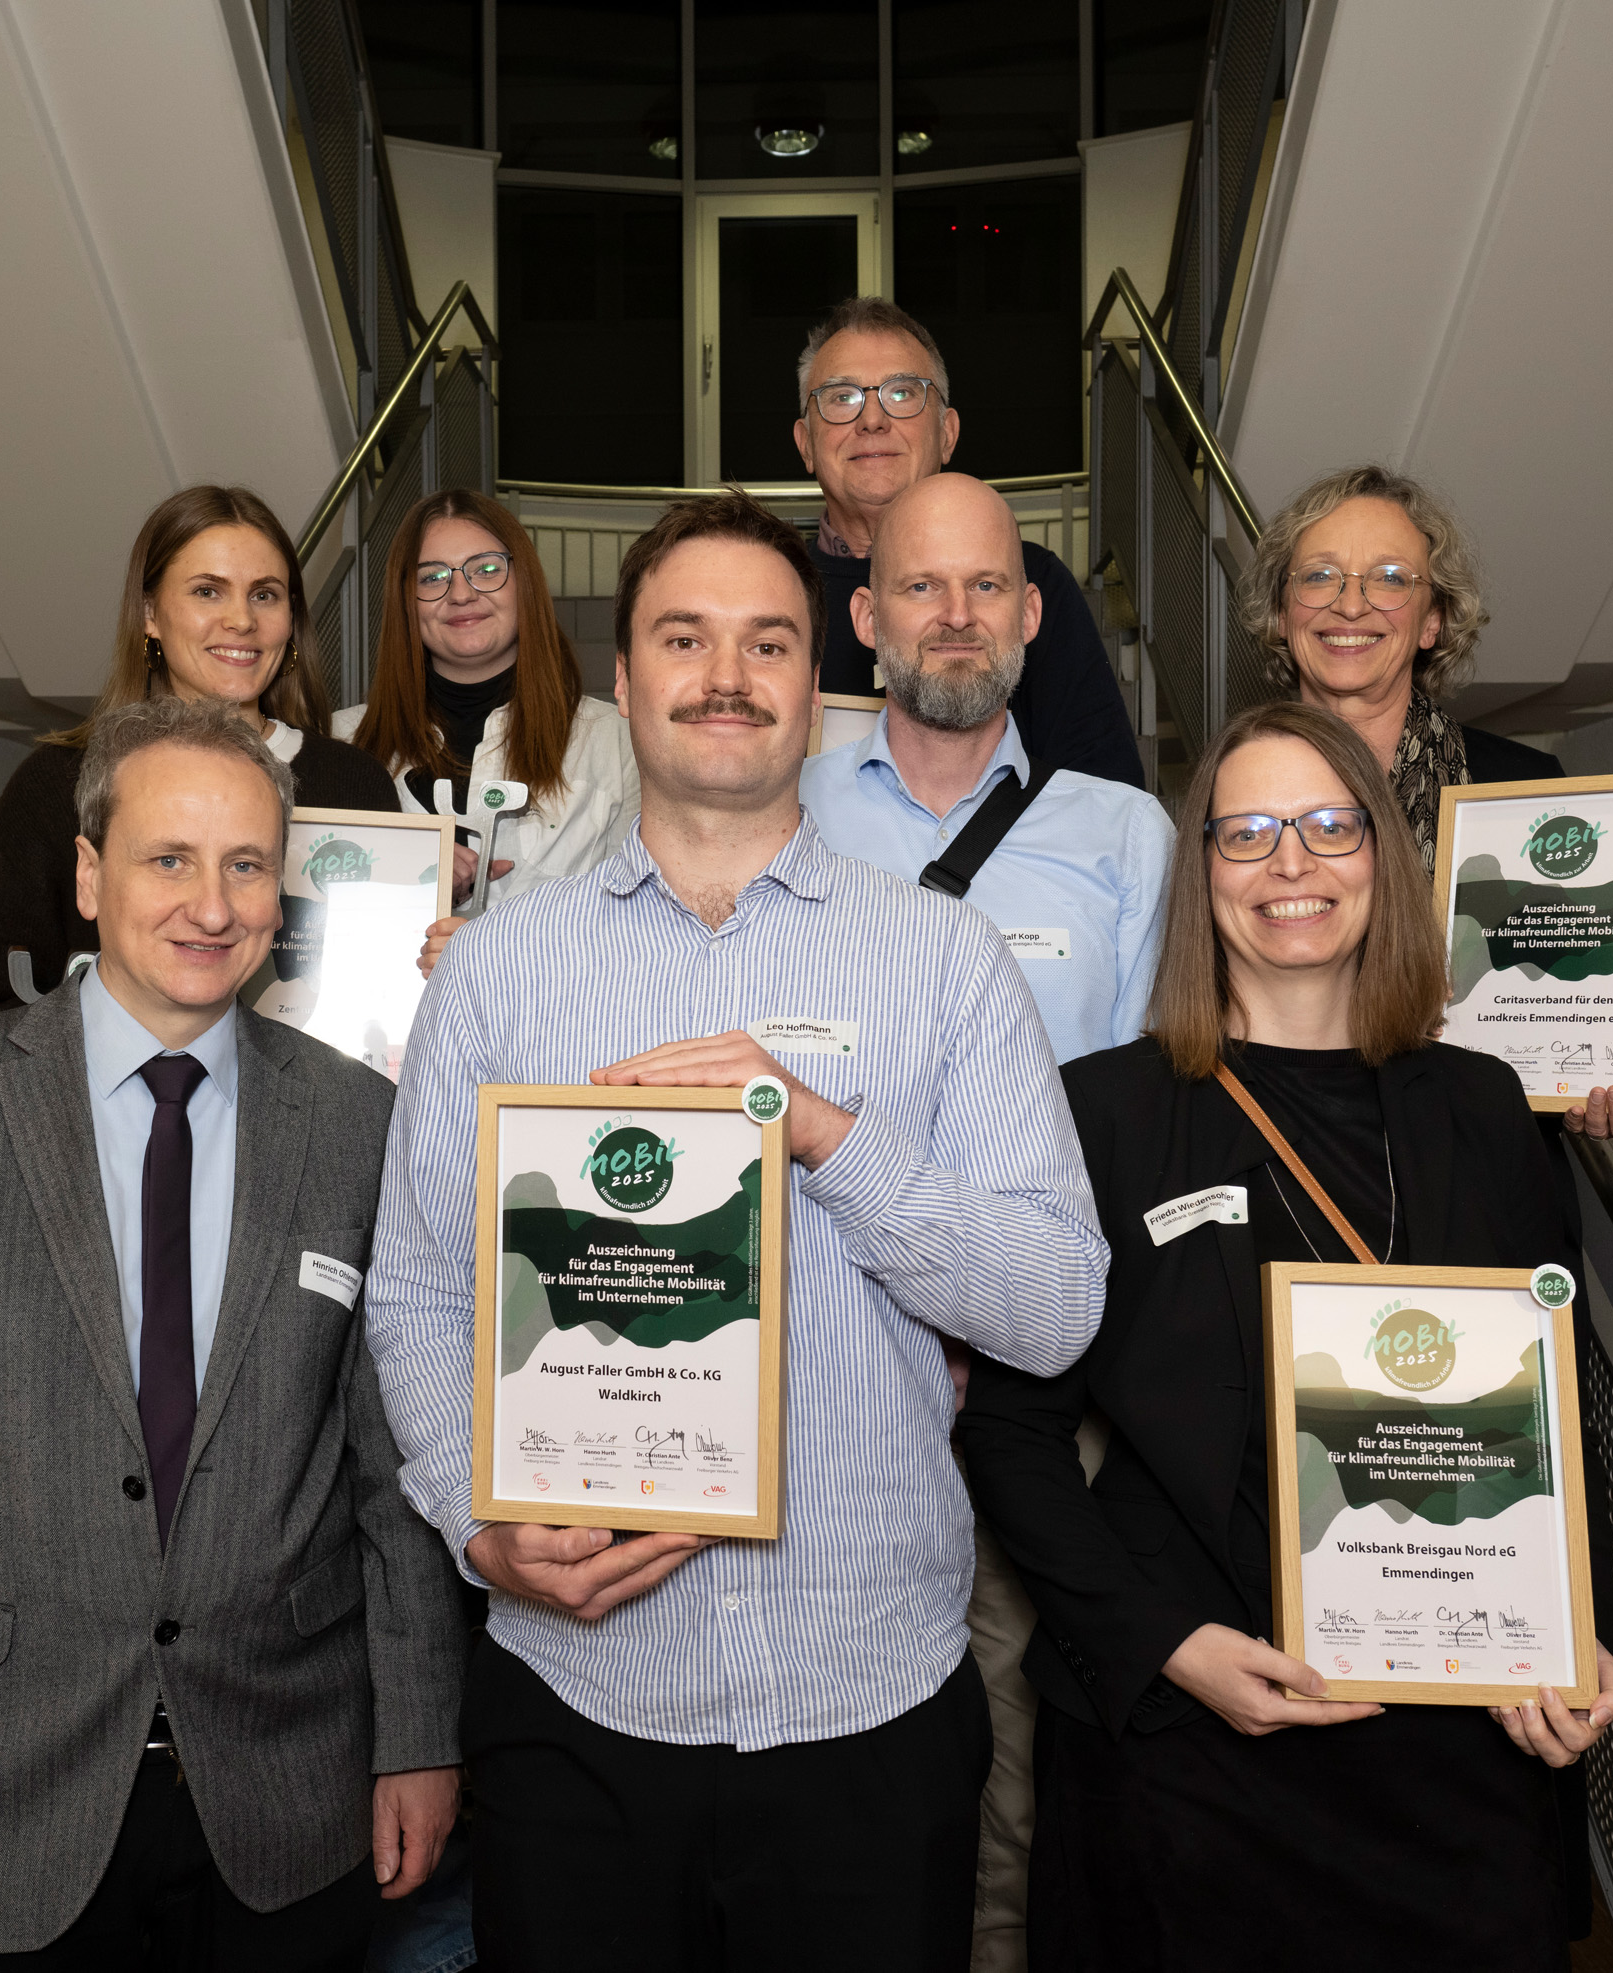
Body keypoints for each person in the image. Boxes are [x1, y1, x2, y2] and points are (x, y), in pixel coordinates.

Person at [362, 489, 1109, 1970]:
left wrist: (826, 1135)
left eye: (767, 642)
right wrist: (477, 1524)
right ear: (622, 679)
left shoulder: (945, 959)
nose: (725, 674)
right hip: (576, 1700)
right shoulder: (502, 970)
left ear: (817, 690)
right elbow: (420, 1297)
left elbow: (1052, 1302)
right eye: (682, 637)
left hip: (871, 1702)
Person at [0, 695, 467, 1970]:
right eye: (168, 859)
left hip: (286, 1798)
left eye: (245, 865)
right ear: (90, 876)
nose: (211, 904)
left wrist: (418, 1735)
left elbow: (391, 1464)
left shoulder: (357, 1122)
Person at [959, 698, 1613, 1973]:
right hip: (1192, 1748)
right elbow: (1008, 1433)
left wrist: (1573, 1625)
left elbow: (1556, 1414)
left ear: (1379, 851)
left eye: (1330, 825)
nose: (1290, 863)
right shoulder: (1103, 1112)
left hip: (1454, 1743)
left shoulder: (1481, 1105)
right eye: (1248, 832)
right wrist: (1166, 1647)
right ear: (1200, 869)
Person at [795, 470, 1168, 1973]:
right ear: (864, 616)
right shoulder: (781, 809)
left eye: (986, 586)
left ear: (1028, 615)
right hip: (820, 1355)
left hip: (1031, 1374)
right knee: (822, 1734)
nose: (954, 614)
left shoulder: (1126, 835)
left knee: (1010, 1741)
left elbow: (1146, 1122)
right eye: (920, 585)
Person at [1245, 464, 1613, 1143]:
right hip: (1285, 1144)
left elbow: (1564, 984)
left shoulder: (1522, 789)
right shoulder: (1233, 795)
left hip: (1480, 1157)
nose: (1351, 605)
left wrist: (1602, 1074)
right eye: (1320, 575)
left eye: (1391, 578)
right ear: (1282, 614)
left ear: (1433, 622)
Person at [0, 485, 402, 1035]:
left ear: (291, 619)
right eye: (207, 591)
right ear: (150, 614)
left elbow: (386, 989)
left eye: (265, 595)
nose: (241, 619)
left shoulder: (354, 782)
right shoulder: (57, 785)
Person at [792, 296, 1146, 790]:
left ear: (947, 433)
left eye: (902, 393)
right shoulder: (774, 593)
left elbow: (1105, 792)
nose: (872, 419)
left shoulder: (1029, 581)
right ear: (806, 443)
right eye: (842, 397)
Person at [333, 488, 640, 910]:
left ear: (524, 582)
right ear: (405, 600)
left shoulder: (616, 742)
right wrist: (401, 877)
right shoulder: (339, 743)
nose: (461, 594)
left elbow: (639, 914)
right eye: (432, 577)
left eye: (487, 569)